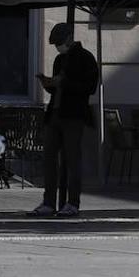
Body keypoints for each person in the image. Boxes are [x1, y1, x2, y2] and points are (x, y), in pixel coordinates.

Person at [30, 23, 99, 218]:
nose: (58, 46)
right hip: (55, 114)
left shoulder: (86, 58)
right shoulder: (60, 59)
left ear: (69, 37)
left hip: (74, 115)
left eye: (60, 42)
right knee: (49, 159)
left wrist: (64, 83)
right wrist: (48, 84)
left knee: (72, 160)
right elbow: (56, 88)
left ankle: (72, 202)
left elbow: (89, 87)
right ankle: (49, 202)